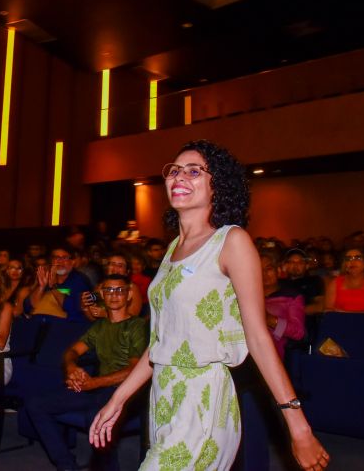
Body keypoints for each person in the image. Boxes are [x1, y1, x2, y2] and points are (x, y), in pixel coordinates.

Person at [89, 140, 328, 470]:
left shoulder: (231, 241)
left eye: (193, 171)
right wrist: (119, 398)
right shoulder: (173, 249)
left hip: (203, 395)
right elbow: (161, 343)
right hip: (164, 393)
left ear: (219, 185)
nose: (179, 177)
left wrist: (298, 426)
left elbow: (258, 337)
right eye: (174, 171)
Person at [25, 274, 147, 471]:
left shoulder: (137, 326)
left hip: (126, 393)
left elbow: (134, 370)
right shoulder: (100, 326)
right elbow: (72, 351)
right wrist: (72, 367)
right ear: (102, 295)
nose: (114, 295)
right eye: (108, 290)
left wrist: (94, 383)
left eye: (119, 290)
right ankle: (66, 466)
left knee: (96, 417)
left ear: (128, 295)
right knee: (35, 404)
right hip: (98, 389)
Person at [260, 253, 306, 359]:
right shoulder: (247, 295)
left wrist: (270, 320)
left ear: (278, 270)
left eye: (268, 269)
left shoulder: (290, 296)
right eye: (258, 269)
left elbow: (298, 332)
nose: (264, 274)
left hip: (276, 353)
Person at [29, 245, 91, 322]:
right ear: (51, 261)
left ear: (72, 262)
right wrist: (41, 287)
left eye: (64, 258)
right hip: (40, 323)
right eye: (56, 258)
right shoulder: (46, 277)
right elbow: (28, 306)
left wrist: (53, 287)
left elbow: (72, 307)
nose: (60, 261)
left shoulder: (79, 280)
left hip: (68, 326)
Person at [80, 253, 143, 321]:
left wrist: (106, 314)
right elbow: (93, 319)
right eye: (112, 264)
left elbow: (133, 317)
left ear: (127, 271)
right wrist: (85, 307)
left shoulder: (132, 288)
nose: (115, 268)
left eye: (120, 265)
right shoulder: (100, 287)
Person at [323, 248, 364, 313]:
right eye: (348, 259)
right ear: (345, 265)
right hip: (340, 322)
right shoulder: (335, 283)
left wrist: (350, 315)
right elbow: (328, 311)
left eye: (358, 258)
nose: (352, 262)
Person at [280, 248, 325, 315]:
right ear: (286, 265)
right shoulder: (280, 282)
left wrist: (293, 312)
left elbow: (320, 306)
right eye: (292, 262)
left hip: (306, 320)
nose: (295, 265)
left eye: (300, 262)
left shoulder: (314, 280)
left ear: (307, 266)